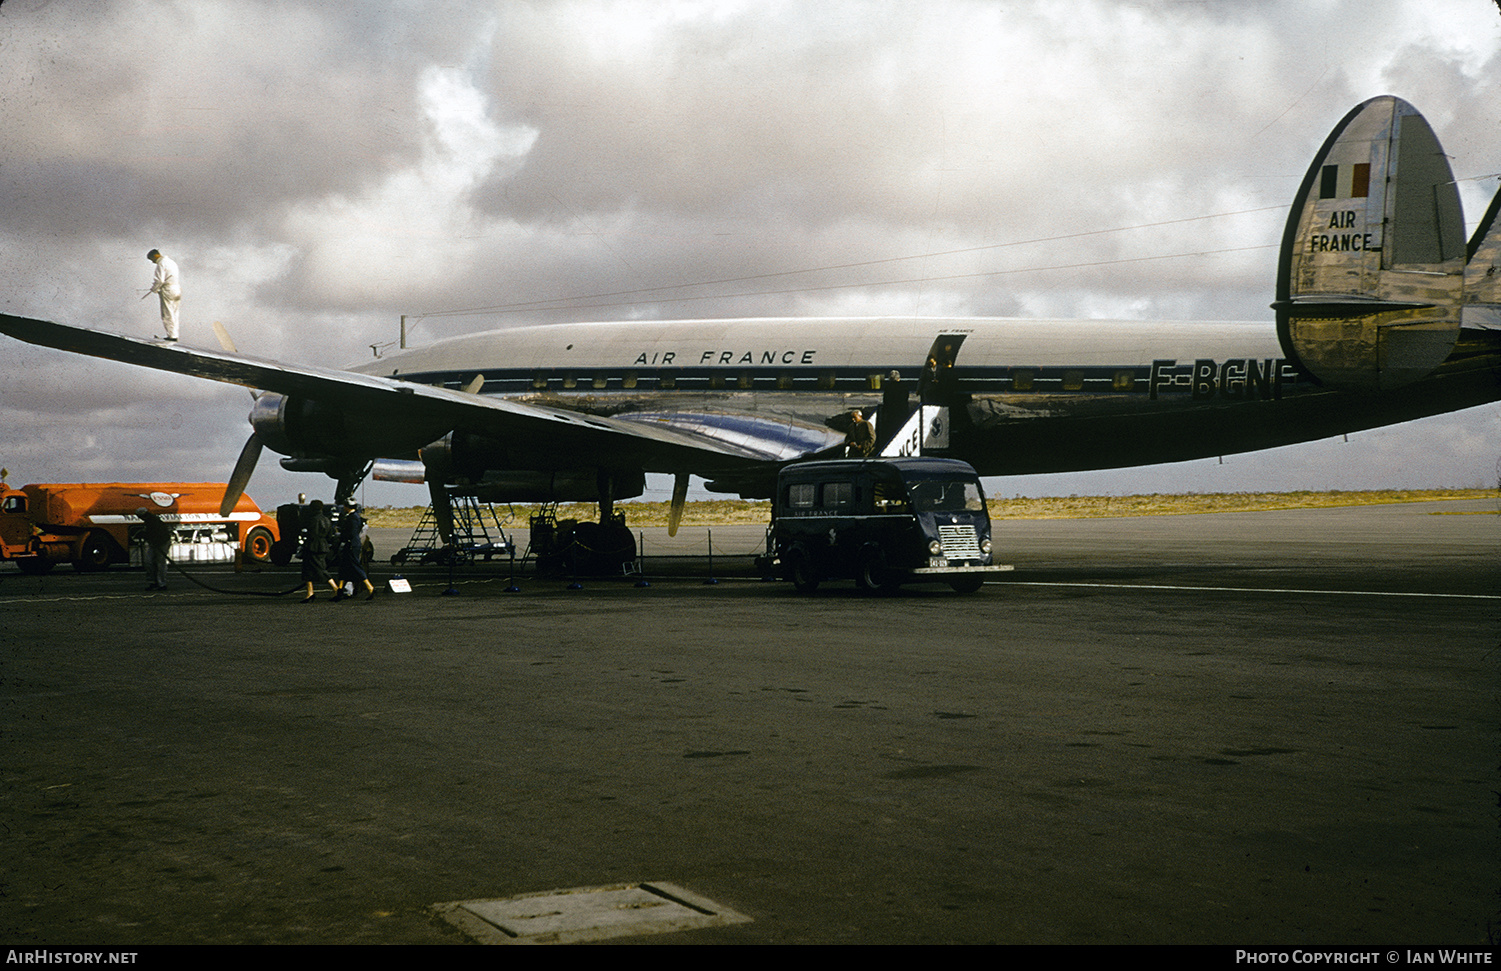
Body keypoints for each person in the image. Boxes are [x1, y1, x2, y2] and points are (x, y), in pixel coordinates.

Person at [334, 499, 376, 601]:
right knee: (343, 567)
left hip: (351, 545)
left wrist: (341, 536)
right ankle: (339, 590)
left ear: (347, 506)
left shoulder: (352, 518)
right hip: (351, 544)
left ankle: (370, 587)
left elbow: (351, 533)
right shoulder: (354, 517)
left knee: (356, 566)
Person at [299, 499, 339, 603]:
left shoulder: (312, 520)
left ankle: (336, 588)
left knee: (319, 569)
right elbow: (330, 535)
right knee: (308, 570)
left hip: (313, 546)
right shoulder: (326, 519)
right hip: (323, 546)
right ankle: (309, 593)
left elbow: (309, 533)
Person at [145, 248, 182, 341]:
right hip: (176, 289)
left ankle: (172, 336)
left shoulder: (161, 263)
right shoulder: (171, 262)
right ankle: (174, 335)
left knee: (167, 314)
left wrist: (154, 289)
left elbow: (160, 280)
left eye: (152, 259)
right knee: (174, 313)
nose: (153, 262)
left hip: (168, 290)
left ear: (155, 256)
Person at [136, 507, 172, 591]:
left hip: (161, 543)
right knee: (149, 562)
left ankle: (161, 583)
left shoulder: (153, 521)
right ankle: (154, 582)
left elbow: (157, 534)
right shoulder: (150, 520)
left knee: (160, 563)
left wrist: (144, 535)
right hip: (156, 543)